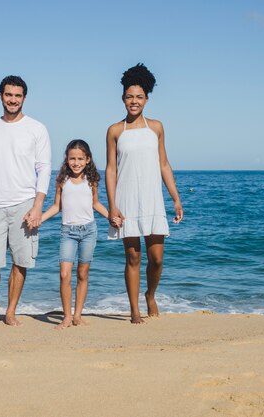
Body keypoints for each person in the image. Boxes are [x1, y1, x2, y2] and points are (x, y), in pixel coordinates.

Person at [0, 75, 52, 326]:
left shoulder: (37, 128)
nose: (12, 100)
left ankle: (11, 310)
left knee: (20, 260)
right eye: (8, 95)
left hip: (25, 202)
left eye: (17, 96)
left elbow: (43, 169)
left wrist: (38, 206)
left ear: (24, 98)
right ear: (1, 96)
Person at [105, 63, 184, 324]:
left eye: (139, 97)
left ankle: (150, 294)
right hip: (126, 200)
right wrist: (112, 206)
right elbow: (111, 170)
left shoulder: (157, 128)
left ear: (147, 99)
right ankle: (134, 310)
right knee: (133, 256)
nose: (134, 101)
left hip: (152, 199)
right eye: (129, 97)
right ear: (123, 98)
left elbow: (164, 163)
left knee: (157, 259)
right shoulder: (116, 131)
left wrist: (175, 198)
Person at [41, 140, 109, 329]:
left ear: (87, 160)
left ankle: (77, 316)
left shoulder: (92, 180)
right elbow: (56, 207)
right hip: (68, 232)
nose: (76, 163)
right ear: (67, 159)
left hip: (89, 231)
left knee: (82, 274)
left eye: (80, 158)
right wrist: (39, 219)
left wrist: (111, 216)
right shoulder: (62, 180)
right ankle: (67, 317)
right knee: (64, 275)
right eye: (72, 159)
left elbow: (96, 204)